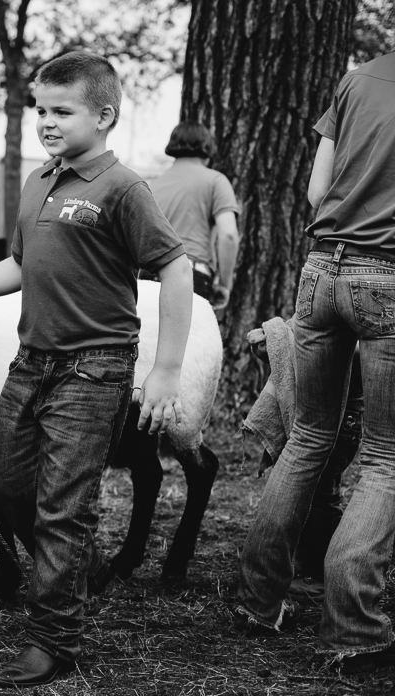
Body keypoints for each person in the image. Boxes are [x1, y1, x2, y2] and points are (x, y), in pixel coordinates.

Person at [0, 51, 193, 688]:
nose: (47, 123)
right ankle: (73, 574)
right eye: (40, 110)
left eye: (62, 111)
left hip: (95, 368)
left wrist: (166, 368)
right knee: (5, 489)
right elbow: (18, 267)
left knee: (64, 508)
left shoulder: (123, 188)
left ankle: (55, 636)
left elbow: (175, 267)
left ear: (104, 115)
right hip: (31, 361)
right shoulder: (39, 182)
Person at [234, 51, 395, 675]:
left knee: (307, 439)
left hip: (321, 270)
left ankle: (256, 601)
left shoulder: (357, 80)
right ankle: (355, 629)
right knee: (384, 460)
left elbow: (315, 190)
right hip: (387, 276)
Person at [149, 121, 240, 308]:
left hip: (148, 277)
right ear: (207, 149)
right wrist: (224, 285)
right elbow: (228, 235)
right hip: (189, 276)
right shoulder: (215, 181)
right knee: (189, 338)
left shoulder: (152, 187)